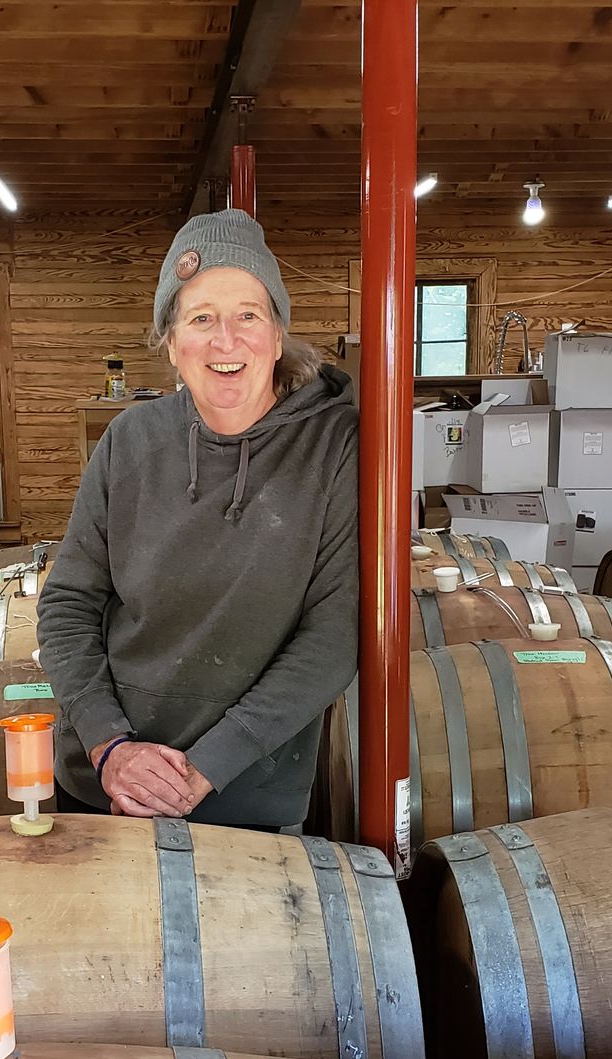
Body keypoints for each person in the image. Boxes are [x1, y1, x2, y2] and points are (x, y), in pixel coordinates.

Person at [37, 209, 359, 829]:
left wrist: (208, 765)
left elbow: (336, 631)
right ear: (170, 341)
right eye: (200, 319)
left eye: (248, 315)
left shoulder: (337, 444)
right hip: (108, 788)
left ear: (278, 330)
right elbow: (69, 604)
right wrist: (110, 747)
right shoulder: (130, 439)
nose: (226, 341)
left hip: (248, 795)